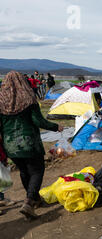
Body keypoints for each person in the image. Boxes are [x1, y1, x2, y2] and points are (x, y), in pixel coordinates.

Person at [0, 71, 63, 220]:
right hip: (29, 143)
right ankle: (28, 202)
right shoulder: (29, 99)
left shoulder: (1, 101)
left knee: (24, 171)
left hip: (10, 146)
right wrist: (56, 127)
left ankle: (34, 200)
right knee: (37, 171)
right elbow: (39, 122)